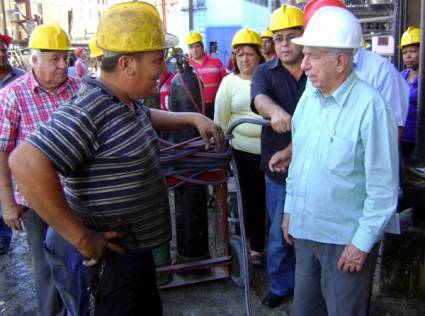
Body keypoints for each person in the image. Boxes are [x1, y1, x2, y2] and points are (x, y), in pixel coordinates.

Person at [8, 2, 224, 316]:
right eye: (156, 60)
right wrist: (82, 238)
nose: (162, 69)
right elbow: (24, 162)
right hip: (111, 264)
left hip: (135, 254)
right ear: (126, 64)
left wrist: (191, 118)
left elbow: (144, 116)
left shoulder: (123, 101)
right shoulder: (91, 107)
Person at [282, 7, 398, 316]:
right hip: (306, 231)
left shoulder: (371, 108)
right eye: (304, 54)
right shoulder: (309, 98)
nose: (303, 64)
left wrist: (361, 244)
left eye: (313, 56)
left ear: (341, 61)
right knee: (305, 310)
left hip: (344, 240)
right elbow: (300, 162)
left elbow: (383, 189)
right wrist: (290, 208)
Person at [0, 23, 80, 316]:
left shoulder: (78, 88)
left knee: (79, 262)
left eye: (66, 58)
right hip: (37, 202)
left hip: (76, 195)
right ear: (34, 60)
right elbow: (2, 150)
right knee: (46, 270)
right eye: (55, 59)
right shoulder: (13, 96)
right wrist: (8, 202)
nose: (63, 66)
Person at [251, 4, 307, 308]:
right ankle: (281, 284)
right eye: (280, 37)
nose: (285, 43)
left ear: (304, 36)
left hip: (315, 166)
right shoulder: (264, 72)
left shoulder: (316, 69)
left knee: (311, 230)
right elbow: (258, 98)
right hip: (279, 168)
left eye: (292, 36)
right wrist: (275, 111)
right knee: (279, 232)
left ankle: (309, 284)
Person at [303, 0, 409, 140]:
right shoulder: (315, 72)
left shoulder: (381, 71)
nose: (304, 65)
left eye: (314, 55)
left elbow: (393, 130)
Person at [214, 28, 266, 267]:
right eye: (240, 54)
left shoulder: (269, 78)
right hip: (243, 152)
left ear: (260, 56)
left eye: (250, 54)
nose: (244, 59)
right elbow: (221, 123)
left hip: (273, 150)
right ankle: (256, 246)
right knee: (252, 198)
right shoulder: (229, 84)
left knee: (275, 201)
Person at [0, 33, 26, 256]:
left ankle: (2, 238)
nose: (1, 54)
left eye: (3, 49)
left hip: (9, 145)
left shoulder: (19, 79)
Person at [186, 31, 227, 119]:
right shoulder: (186, 66)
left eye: (197, 46)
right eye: (191, 47)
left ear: (202, 46)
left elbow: (226, 83)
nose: (194, 50)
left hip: (216, 105)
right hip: (195, 108)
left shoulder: (216, 62)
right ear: (188, 49)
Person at [399, 26, 421, 157]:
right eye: (404, 52)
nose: (408, 56)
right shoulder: (401, 75)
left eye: (413, 51)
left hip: (418, 143)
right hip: (400, 138)